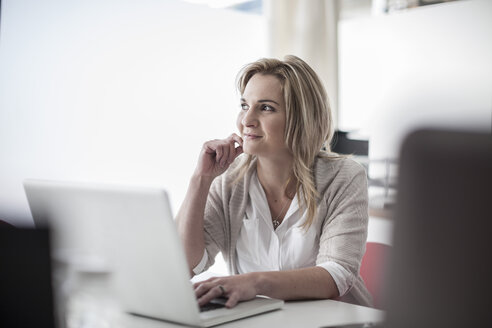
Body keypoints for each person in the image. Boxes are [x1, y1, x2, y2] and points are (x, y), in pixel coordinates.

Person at [176, 55, 372, 309]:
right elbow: (184, 265)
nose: (246, 120)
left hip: (333, 320)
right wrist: (200, 181)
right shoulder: (229, 179)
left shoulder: (344, 176)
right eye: (245, 105)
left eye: (266, 107)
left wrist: (254, 282)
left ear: (301, 119)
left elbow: (337, 274)